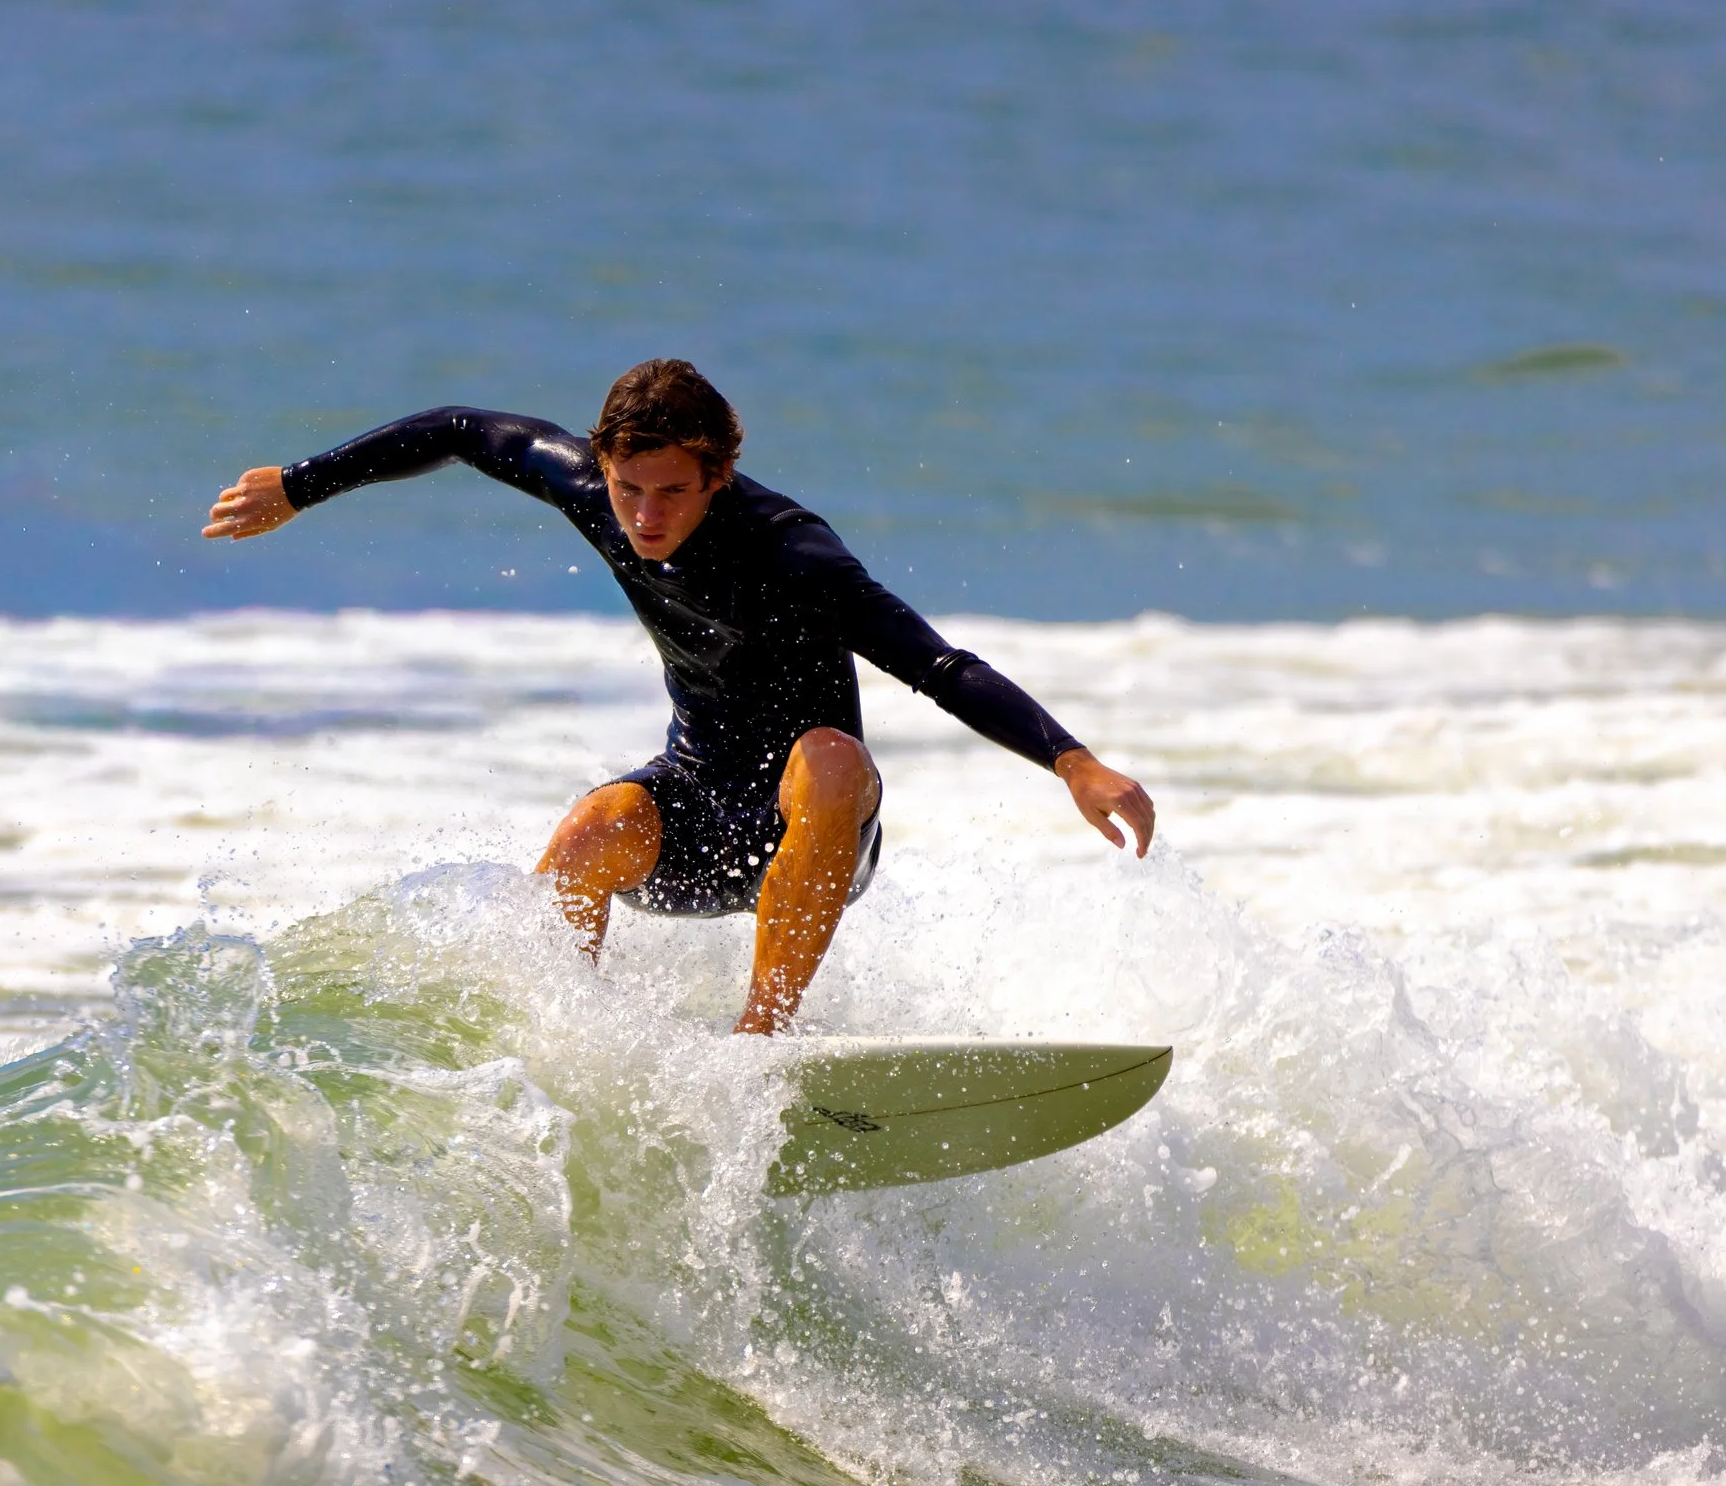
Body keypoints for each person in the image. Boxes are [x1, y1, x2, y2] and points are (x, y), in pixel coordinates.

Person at [202, 359, 1155, 1034]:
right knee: (588, 830)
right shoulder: (589, 487)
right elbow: (461, 431)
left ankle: (761, 1041)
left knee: (829, 756)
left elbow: (939, 666)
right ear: (602, 466)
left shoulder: (792, 551)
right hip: (695, 821)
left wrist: (1073, 763)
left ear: (719, 476)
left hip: (810, 832)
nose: (645, 517)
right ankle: (558, 1041)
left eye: (670, 492)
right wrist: (299, 484)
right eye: (628, 490)